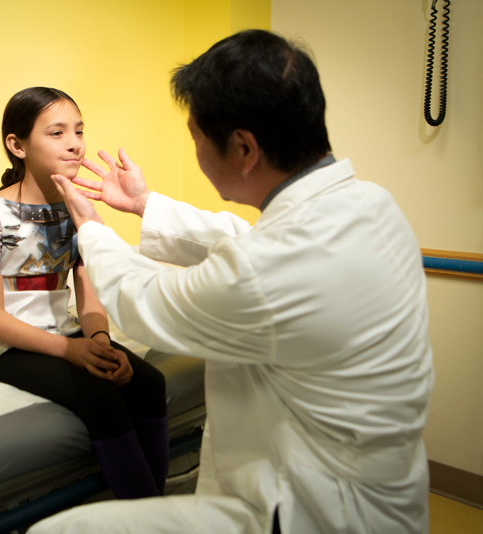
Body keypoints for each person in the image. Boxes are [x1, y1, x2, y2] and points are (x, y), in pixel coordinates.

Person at [29, 30, 434, 533]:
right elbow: (246, 239)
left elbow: (145, 300)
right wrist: (143, 204)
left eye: (197, 139)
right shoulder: (370, 203)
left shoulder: (270, 270)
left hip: (305, 512)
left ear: (244, 147)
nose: (196, 152)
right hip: (380, 491)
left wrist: (90, 227)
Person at [0, 87, 169, 500]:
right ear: (17, 145)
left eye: (78, 131)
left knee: (148, 382)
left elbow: (89, 298)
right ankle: (144, 516)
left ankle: (156, 509)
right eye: (57, 133)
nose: (75, 143)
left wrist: (98, 342)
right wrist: (71, 352)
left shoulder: (77, 210)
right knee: (102, 398)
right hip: (6, 348)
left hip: (67, 334)